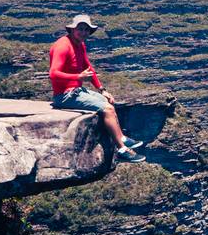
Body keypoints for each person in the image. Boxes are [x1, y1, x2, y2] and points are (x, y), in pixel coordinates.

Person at [49, 14, 145, 163]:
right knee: (107, 109)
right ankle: (121, 149)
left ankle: (122, 137)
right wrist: (78, 78)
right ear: (72, 30)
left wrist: (102, 89)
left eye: (86, 30)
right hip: (64, 96)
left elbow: (89, 68)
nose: (83, 32)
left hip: (76, 91)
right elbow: (53, 74)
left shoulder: (80, 45)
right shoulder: (62, 46)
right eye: (80, 29)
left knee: (108, 101)